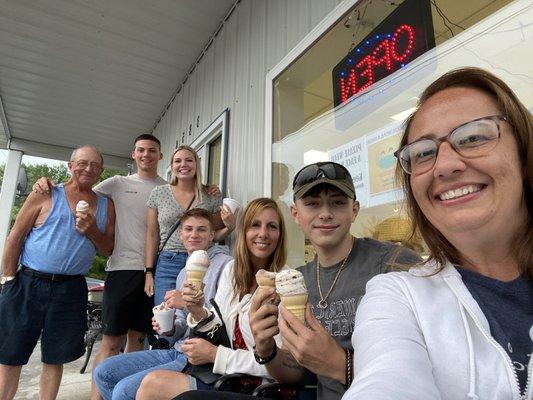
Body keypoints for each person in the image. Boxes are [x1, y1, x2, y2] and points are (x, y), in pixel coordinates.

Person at [345, 68, 533, 399]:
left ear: (522, 147)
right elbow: (385, 378)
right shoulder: (399, 296)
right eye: (423, 153)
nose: (444, 165)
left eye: (473, 136)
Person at [248, 161, 421, 400]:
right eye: (312, 204)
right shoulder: (298, 280)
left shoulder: (395, 264)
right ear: (296, 214)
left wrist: (340, 365)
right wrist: (266, 349)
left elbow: (434, 367)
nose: (326, 213)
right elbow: (297, 373)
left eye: (338, 202)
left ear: (355, 209)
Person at [32, 134, 168, 399]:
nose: (146, 155)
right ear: (133, 154)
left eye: (152, 151)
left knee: (138, 340)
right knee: (111, 341)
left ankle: (124, 394)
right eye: (141, 150)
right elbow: (78, 188)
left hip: (154, 271)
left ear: (160, 156)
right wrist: (47, 184)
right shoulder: (117, 184)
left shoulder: (167, 188)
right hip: (121, 269)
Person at [135, 198, 288, 400]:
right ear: (243, 232)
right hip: (224, 377)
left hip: (260, 388)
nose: (263, 234)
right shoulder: (231, 273)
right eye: (255, 225)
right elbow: (218, 330)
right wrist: (197, 310)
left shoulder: (285, 283)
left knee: (147, 387)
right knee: (149, 384)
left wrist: (216, 355)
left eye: (272, 227)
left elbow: (283, 366)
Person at [0, 145, 115, 400]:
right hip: (28, 283)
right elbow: (15, 237)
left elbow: (108, 249)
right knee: (11, 354)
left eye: (95, 165)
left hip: (71, 288)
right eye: (82, 163)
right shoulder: (45, 193)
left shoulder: (107, 205)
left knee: (56, 357)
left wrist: (91, 229)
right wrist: (8, 280)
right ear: (70, 166)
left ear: (101, 171)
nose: (88, 169)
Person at [93, 208, 233, 400]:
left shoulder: (226, 265)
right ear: (180, 235)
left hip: (202, 357)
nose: (194, 234)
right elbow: (182, 326)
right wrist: (169, 328)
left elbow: (229, 320)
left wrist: (186, 304)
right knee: (103, 372)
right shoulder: (183, 272)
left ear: (211, 235)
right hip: (177, 349)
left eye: (201, 230)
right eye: (188, 229)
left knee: (123, 391)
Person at [145, 145, 236, 306]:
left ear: (196, 164)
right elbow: (152, 234)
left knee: (198, 308)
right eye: (177, 161)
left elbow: (213, 235)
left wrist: (230, 227)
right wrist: (149, 271)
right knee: (165, 313)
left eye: (189, 160)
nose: (183, 165)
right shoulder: (159, 193)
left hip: (202, 260)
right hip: (168, 261)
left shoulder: (210, 195)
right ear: (172, 166)